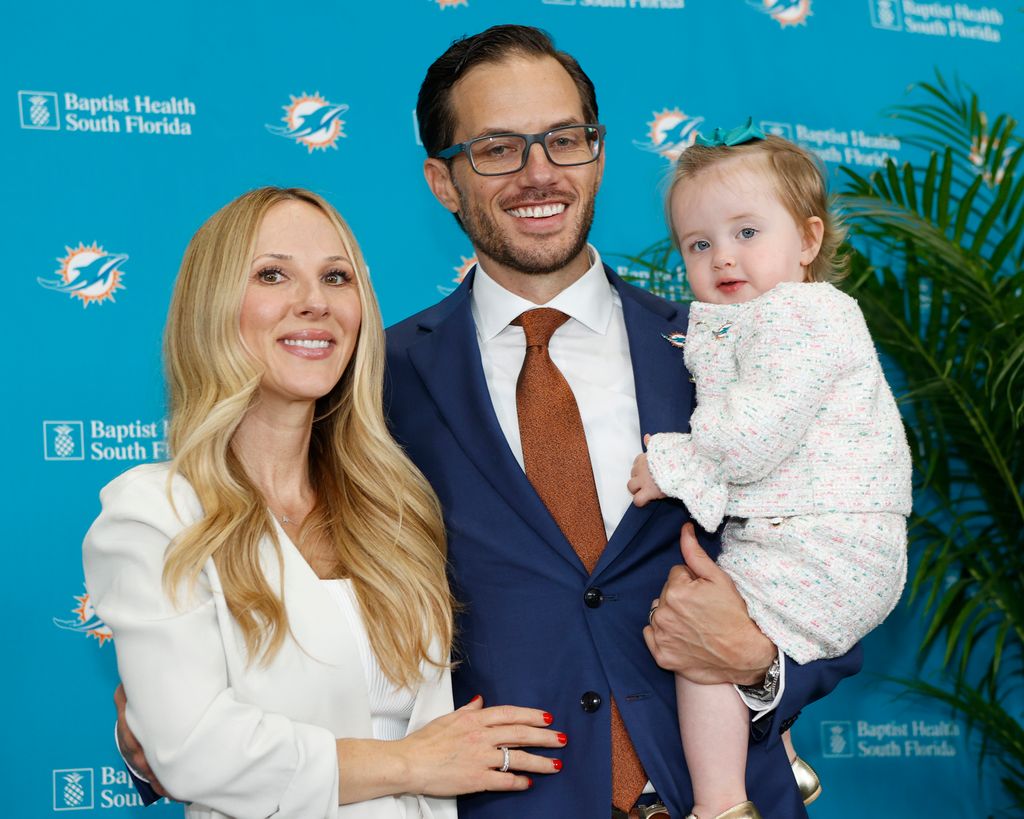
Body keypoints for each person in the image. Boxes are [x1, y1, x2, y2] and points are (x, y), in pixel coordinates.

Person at [384, 25, 864, 819]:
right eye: (499, 148)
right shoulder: (381, 376)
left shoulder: (737, 348)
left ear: (598, 152)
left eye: (563, 140)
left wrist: (759, 664)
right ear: (444, 181)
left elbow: (843, 542)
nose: (540, 173)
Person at [85, 187, 566, 819]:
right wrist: (413, 762)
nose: (314, 303)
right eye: (272, 275)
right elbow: (191, 750)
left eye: (336, 277)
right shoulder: (155, 514)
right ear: (212, 307)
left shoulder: (393, 505)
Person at [627, 124, 912, 819]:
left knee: (703, 642)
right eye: (699, 244)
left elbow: (749, 434)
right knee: (720, 616)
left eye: (747, 232)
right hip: (812, 535)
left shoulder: (803, 316)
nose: (723, 255)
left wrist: (669, 462)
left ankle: (722, 805)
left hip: (827, 543)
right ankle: (780, 751)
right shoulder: (764, 320)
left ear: (809, 240)